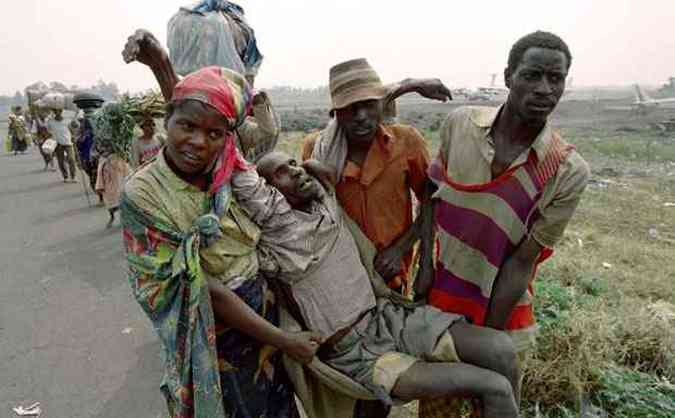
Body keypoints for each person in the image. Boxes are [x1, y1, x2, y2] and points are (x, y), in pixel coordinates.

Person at [230, 151, 521, 418]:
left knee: (500, 349)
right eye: (281, 172)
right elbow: (242, 175)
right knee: (493, 387)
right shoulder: (277, 231)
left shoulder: (325, 200)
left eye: (293, 163)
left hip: (389, 317)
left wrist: (304, 168)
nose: (295, 171)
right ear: (267, 194)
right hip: (357, 352)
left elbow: (321, 170)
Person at [121, 66, 317, 418]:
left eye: (214, 133)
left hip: (264, 315)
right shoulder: (144, 193)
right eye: (187, 126)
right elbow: (204, 288)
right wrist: (284, 340)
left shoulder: (228, 169)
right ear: (168, 120)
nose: (199, 142)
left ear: (227, 137)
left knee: (279, 404)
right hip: (214, 332)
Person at [415, 31, 590, 418]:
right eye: (532, 75)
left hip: (503, 315)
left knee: (491, 407)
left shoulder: (566, 169)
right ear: (509, 76)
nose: (545, 89)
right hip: (443, 304)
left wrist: (489, 342)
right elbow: (432, 192)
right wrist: (425, 264)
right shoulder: (461, 125)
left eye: (555, 79)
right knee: (437, 412)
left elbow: (522, 262)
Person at [301, 59, 452, 298]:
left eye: (369, 105)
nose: (361, 116)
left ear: (382, 105)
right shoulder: (318, 150)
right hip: (341, 274)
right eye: (350, 108)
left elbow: (431, 202)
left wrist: (403, 251)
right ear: (336, 113)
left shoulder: (407, 141)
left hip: (392, 272)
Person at [123, 29, 279, 162]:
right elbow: (171, 87)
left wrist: (258, 103)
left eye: (214, 133)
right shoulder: (192, 106)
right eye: (190, 127)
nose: (199, 142)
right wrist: (158, 60)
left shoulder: (238, 126)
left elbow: (268, 134)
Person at [95, 143, 132, 228]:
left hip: (121, 183)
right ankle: (112, 218)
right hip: (110, 187)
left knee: (123, 203)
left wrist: (130, 179)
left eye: (108, 147)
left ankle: (126, 218)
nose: (106, 150)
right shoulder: (103, 161)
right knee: (111, 206)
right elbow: (100, 175)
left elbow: (127, 170)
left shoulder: (120, 157)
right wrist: (100, 186)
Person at [47, 109, 78, 183]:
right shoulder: (50, 122)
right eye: (55, 112)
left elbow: (74, 128)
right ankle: (65, 176)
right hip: (57, 144)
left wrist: (74, 125)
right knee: (61, 161)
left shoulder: (67, 120)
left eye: (59, 111)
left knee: (71, 159)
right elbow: (48, 131)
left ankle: (73, 176)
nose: (57, 113)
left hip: (68, 143)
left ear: (61, 112)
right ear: (54, 112)